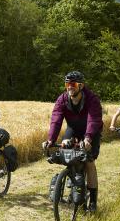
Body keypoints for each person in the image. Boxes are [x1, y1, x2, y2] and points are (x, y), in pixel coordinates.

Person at [42, 71, 103, 212]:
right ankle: (72, 177)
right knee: (65, 150)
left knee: (89, 162)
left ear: (81, 85)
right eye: (67, 84)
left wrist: (88, 138)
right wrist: (50, 139)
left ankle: (93, 202)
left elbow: (94, 120)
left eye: (73, 84)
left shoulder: (92, 99)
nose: (69, 87)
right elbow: (56, 120)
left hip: (91, 131)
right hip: (73, 129)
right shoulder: (62, 99)